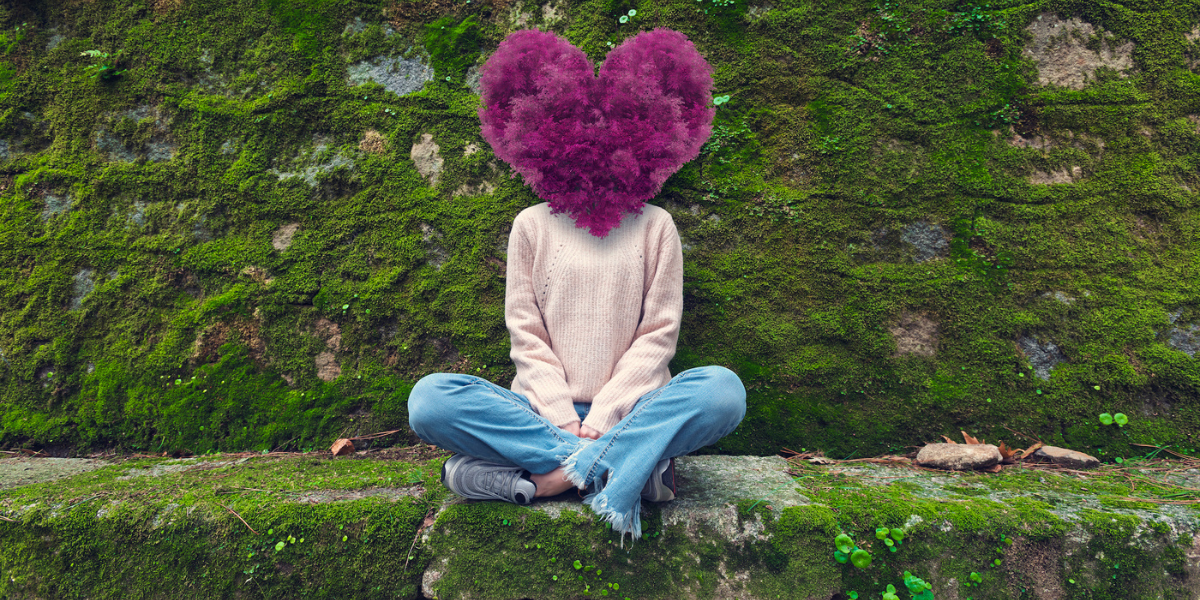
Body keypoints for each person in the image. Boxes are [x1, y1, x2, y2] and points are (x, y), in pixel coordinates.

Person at [407, 200, 747, 542]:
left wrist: (604, 416)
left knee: (722, 392)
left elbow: (658, 334)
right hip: (538, 417)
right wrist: (561, 416)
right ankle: (633, 464)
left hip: (636, 411)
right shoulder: (531, 224)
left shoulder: (655, 224)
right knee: (430, 400)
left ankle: (548, 481)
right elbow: (526, 336)